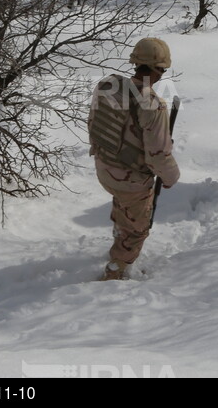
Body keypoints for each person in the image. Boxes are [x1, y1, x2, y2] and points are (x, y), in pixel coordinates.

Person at [88, 38, 180, 280]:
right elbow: (159, 155)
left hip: (104, 167)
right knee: (138, 229)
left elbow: (93, 123)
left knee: (123, 204)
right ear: (158, 69)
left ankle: (119, 236)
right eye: (163, 69)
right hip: (131, 180)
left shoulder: (107, 86)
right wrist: (171, 177)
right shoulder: (152, 105)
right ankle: (115, 271)